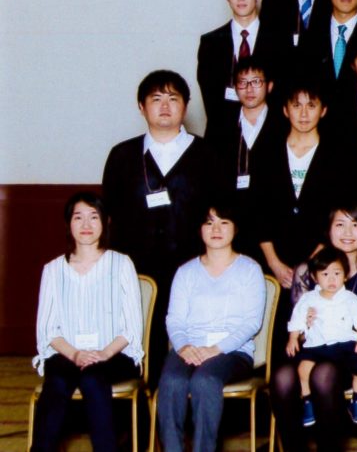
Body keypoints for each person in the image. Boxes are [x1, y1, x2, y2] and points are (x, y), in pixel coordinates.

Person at [101, 71, 224, 373]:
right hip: (136, 270)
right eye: (156, 99)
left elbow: (222, 214)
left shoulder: (208, 154)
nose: (165, 106)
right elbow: (107, 216)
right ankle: (143, 402)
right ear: (141, 107)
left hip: (194, 268)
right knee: (141, 346)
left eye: (173, 98)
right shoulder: (122, 155)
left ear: (186, 105)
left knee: (190, 349)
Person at [269, 204, 357, 451]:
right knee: (282, 378)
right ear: (328, 230)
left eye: (355, 225)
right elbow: (298, 326)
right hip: (313, 349)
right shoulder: (307, 271)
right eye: (340, 225)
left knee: (323, 374)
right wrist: (305, 329)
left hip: (355, 354)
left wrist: (349, 338)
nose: (348, 232)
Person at [30, 193, 144, 452]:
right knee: (57, 382)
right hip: (67, 354)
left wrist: (103, 353)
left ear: (105, 222)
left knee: (93, 378)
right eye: (78, 217)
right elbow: (48, 330)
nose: (86, 225)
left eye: (94, 217)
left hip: (114, 355)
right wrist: (76, 354)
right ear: (68, 223)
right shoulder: (53, 269)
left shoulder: (121, 263)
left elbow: (131, 328)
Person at [157, 202, 268, 452]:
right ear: (200, 229)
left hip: (232, 351)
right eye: (209, 222)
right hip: (189, 348)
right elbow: (174, 319)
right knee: (171, 381)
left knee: (205, 380)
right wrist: (183, 346)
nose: (216, 229)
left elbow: (251, 322)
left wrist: (215, 349)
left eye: (223, 222)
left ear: (235, 229)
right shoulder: (185, 272)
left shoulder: (250, 270)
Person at [252, 84, 357, 288]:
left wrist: (310, 264)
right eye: (296, 105)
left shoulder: (338, 156)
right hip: (273, 263)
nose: (303, 114)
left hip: (322, 264)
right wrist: (274, 263)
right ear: (285, 110)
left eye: (311, 106)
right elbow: (258, 211)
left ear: (323, 110)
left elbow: (339, 210)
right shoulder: (266, 151)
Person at [285, 248, 357, 426]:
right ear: (315, 277)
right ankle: (308, 402)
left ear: (345, 276)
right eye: (325, 274)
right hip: (317, 345)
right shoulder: (308, 299)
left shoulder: (350, 298)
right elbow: (297, 319)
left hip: (345, 343)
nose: (331, 279)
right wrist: (293, 338)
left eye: (337, 273)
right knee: (303, 368)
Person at [198, 0, 291, 125]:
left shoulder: (280, 40)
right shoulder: (210, 42)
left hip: (271, 128)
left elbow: (284, 88)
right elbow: (210, 96)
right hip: (223, 129)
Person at [207, 57, 286, 222]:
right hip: (231, 215)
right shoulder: (219, 125)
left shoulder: (284, 123)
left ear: (269, 86)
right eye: (242, 83)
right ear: (235, 88)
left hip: (273, 214)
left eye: (256, 82)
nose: (249, 89)